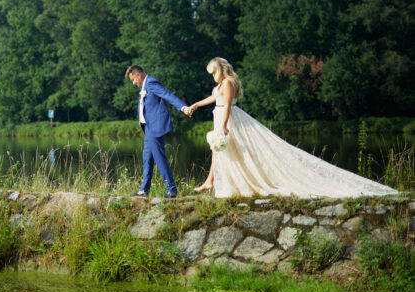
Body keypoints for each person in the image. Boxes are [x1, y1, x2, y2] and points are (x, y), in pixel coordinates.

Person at [188, 57, 398, 198]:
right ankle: (210, 181)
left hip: (229, 119)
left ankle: (212, 181)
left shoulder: (228, 83)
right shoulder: (222, 84)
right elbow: (215, 98)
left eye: (212, 72)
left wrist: (223, 127)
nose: (212, 76)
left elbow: (225, 107)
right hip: (221, 118)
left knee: (227, 151)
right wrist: (197, 104)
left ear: (220, 70)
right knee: (218, 152)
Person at [126, 65, 190, 198]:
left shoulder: (151, 82)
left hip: (155, 127)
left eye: (133, 80)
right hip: (148, 128)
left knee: (160, 158)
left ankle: (171, 189)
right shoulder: (145, 86)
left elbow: (167, 95)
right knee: (147, 159)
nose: (133, 83)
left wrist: (182, 107)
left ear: (138, 75)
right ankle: (144, 190)